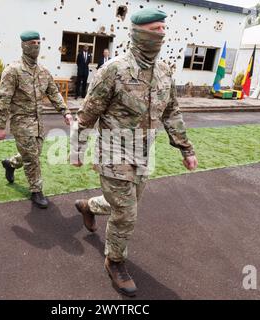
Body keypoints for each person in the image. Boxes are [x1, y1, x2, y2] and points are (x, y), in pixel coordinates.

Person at [71, 8, 198, 296]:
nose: (162, 34)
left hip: (143, 155)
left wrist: (186, 149)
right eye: (156, 30)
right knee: (127, 214)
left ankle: (88, 206)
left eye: (164, 30)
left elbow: (172, 112)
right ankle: (114, 261)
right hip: (112, 153)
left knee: (124, 206)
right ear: (139, 33)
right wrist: (76, 149)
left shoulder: (164, 72)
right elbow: (87, 115)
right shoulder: (113, 71)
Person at [0, 30, 73, 208]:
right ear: (23, 45)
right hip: (21, 122)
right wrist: (1, 126)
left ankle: (11, 163)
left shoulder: (43, 71)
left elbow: (54, 93)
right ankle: (36, 191)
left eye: (38, 43)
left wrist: (65, 112)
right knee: (32, 159)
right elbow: (4, 98)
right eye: (32, 43)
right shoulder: (12, 70)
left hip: (39, 123)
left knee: (33, 154)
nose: (36, 46)